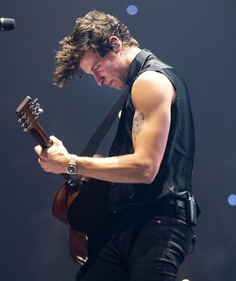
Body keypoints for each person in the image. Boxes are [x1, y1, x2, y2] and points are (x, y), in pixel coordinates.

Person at [34, 10, 199, 281]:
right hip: (127, 223)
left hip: (158, 222)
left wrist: (70, 162)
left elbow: (145, 168)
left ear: (115, 44)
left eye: (97, 69)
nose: (98, 81)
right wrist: (95, 166)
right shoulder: (139, 84)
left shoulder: (150, 82)